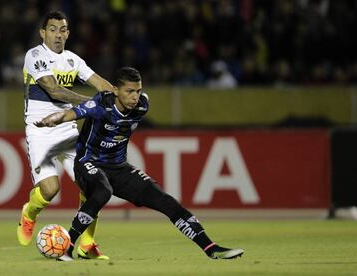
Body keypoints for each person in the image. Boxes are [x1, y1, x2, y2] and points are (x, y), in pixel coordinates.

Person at [35, 67, 244, 261]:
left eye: (138, 90)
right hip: (88, 162)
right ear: (115, 90)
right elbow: (73, 113)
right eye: (129, 91)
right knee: (102, 191)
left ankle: (210, 248)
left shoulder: (142, 105)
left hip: (119, 168)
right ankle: (68, 246)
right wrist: (53, 119)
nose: (135, 96)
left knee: (166, 201)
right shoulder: (101, 104)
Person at [17, 10, 113, 260]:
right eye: (52, 29)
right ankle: (29, 213)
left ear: (68, 33)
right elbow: (54, 90)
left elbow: (100, 82)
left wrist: (120, 97)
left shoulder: (73, 60)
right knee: (50, 190)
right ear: (42, 32)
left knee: (93, 186)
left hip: (68, 131)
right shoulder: (34, 55)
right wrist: (91, 104)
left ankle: (87, 244)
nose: (58, 35)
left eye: (62, 30)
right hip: (40, 131)